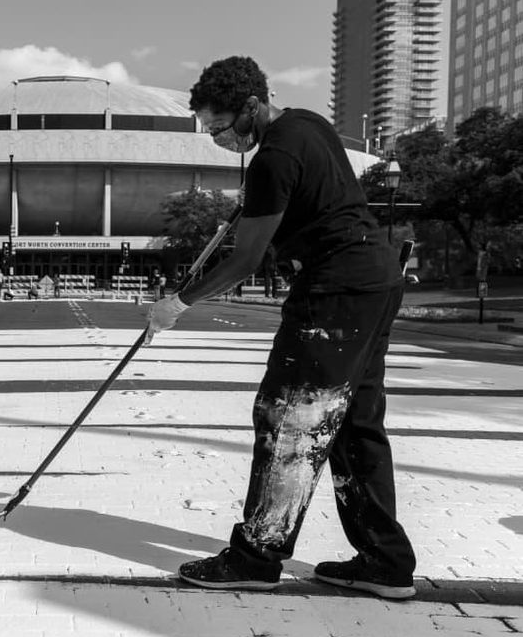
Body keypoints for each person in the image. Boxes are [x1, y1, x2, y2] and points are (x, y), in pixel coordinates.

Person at [145, 56, 416, 599]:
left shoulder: (272, 158)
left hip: (335, 290)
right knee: (354, 424)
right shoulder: (308, 124)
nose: (219, 138)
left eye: (221, 126)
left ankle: (256, 555)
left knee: (289, 419)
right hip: (375, 279)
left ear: (252, 106)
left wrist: (178, 302)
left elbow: (246, 259)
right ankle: (384, 561)